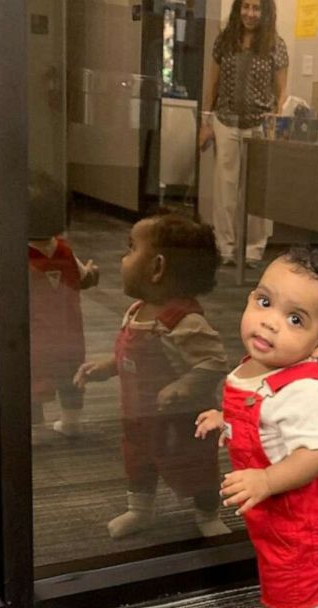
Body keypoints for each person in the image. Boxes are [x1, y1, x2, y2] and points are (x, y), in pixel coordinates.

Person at [193, 246, 318, 608]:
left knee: (286, 564)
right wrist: (223, 418)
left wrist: (265, 481)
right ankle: (308, 603)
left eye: (294, 319)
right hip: (281, 502)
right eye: (264, 302)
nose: (269, 320)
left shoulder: (302, 390)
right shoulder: (262, 362)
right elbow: (262, 422)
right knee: (295, 563)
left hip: (302, 508)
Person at [75, 212, 231, 539]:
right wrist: (109, 364)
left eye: (130, 249)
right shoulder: (136, 311)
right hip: (137, 415)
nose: (122, 258)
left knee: (196, 468)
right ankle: (139, 511)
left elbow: (215, 361)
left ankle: (208, 514)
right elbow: (129, 356)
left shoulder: (184, 322)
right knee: (138, 462)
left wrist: (184, 385)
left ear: (157, 268)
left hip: (180, 421)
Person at [0, 171, 98, 437]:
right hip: (70, 338)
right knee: (71, 379)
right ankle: (72, 422)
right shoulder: (65, 251)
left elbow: (0, 302)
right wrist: (93, 272)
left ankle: (33, 430)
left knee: (30, 385)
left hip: (32, 341)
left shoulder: (16, 258)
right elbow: (84, 279)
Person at [198, 0, 288, 268]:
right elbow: (212, 84)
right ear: (238, 9)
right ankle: (225, 247)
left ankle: (253, 249)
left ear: (265, 12)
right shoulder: (224, 41)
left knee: (257, 189)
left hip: (259, 124)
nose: (250, 13)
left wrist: (275, 123)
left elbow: (281, 92)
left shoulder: (276, 45)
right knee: (225, 188)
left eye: (256, 8)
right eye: (245, 7)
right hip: (226, 121)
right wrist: (206, 122)